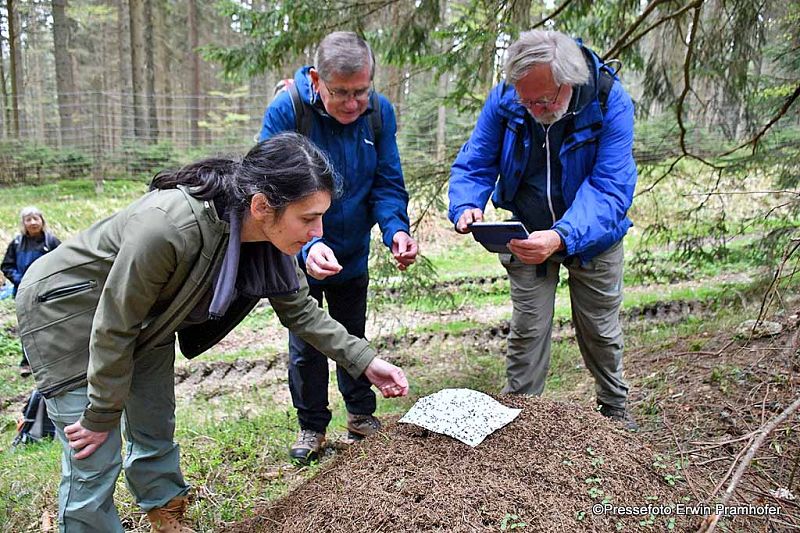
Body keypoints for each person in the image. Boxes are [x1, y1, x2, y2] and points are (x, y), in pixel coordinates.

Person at [15, 132, 409, 533]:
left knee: (153, 418)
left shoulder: (267, 237)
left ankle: (164, 511)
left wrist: (366, 362)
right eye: (308, 218)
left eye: (321, 216)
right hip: (66, 309)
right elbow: (115, 324)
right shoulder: (168, 226)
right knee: (95, 448)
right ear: (262, 205)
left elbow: (303, 313)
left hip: (146, 317)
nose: (317, 231)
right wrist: (101, 412)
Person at [448, 29, 638, 429]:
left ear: (569, 83)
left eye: (543, 100)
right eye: (525, 99)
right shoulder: (508, 98)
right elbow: (476, 160)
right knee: (528, 329)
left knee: (600, 330)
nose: (532, 107)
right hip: (525, 230)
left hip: (595, 236)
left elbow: (610, 188)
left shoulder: (608, 100)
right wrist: (466, 204)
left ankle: (614, 409)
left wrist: (563, 235)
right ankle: (519, 422)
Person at [258, 31, 418, 463]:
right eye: (341, 93)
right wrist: (308, 248)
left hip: (352, 252)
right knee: (307, 341)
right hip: (296, 251)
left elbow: (387, 181)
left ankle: (361, 416)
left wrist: (395, 229)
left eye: (361, 92)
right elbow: (267, 195)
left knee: (352, 332)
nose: (352, 104)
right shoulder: (288, 112)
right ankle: (312, 425)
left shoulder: (378, 116)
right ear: (316, 80)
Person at [2, 206, 60, 376]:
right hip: (24, 292)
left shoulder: (52, 242)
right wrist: (22, 280)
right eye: (28, 219)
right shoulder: (17, 244)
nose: (33, 222)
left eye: (36, 218)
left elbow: (63, 263)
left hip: (47, 291)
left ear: (42, 221)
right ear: (23, 223)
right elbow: (7, 266)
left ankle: (52, 360)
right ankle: (27, 362)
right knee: (28, 327)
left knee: (51, 325)